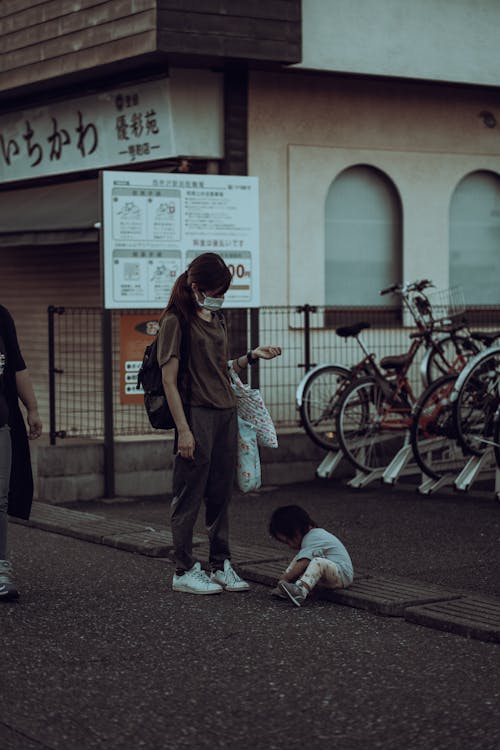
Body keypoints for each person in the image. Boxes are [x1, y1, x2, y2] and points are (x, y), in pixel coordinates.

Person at [157, 252, 281, 595]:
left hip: (227, 414)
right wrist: (184, 429)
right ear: (196, 287)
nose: (219, 296)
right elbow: (169, 380)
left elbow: (219, 368)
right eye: (215, 290)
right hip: (196, 415)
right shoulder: (175, 322)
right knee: (188, 495)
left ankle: (220, 564)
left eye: (223, 291)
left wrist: (251, 356)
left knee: (219, 495)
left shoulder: (217, 318)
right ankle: (183, 569)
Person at [0, 304, 42, 601]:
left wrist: (33, 408)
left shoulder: (0, 316)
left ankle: (1, 570)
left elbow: (16, 366)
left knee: (0, 497)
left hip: (0, 420)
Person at [269, 504, 353, 607]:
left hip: (342, 575)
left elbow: (304, 563)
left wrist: (285, 577)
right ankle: (287, 588)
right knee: (299, 558)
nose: (289, 546)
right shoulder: (310, 538)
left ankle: (300, 591)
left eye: (288, 541)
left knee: (315, 562)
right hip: (331, 575)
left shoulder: (313, 537)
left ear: (296, 532)